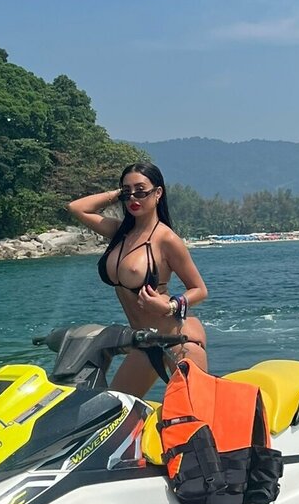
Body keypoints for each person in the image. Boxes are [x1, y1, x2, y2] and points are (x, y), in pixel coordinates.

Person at [67, 162, 208, 397]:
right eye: (127, 192)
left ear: (158, 193)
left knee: (191, 414)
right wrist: (119, 194)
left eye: (141, 191)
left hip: (179, 340)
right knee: (114, 408)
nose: (133, 198)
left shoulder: (166, 239)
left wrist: (170, 305)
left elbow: (199, 289)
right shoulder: (120, 233)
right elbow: (77, 208)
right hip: (144, 343)